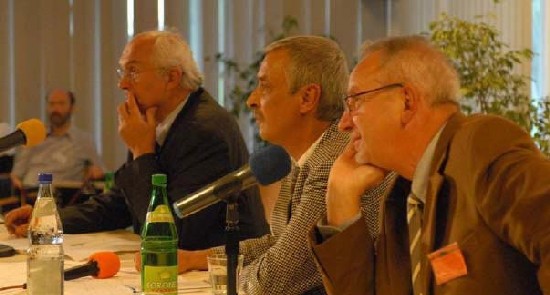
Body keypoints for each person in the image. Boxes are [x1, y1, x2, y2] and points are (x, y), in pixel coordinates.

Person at [310, 35, 550, 295]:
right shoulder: (402, 199)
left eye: (355, 101)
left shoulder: (480, 145)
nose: (344, 123)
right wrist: (340, 197)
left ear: (407, 102)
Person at [5, 30, 269, 251]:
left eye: (133, 72)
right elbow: (121, 203)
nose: (122, 84)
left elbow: (174, 233)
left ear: (172, 77)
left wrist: (142, 151)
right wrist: (48, 218)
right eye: (122, 72)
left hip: (223, 275)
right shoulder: (157, 120)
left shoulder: (205, 129)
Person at [173, 36, 394, 295]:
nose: (251, 100)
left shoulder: (332, 162)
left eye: (264, 87)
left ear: (307, 98)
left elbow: (274, 282)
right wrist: (197, 259)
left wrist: (232, 278)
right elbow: (279, 242)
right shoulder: (305, 155)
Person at [10, 89, 105, 190]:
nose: (55, 109)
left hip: (60, 196)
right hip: (28, 193)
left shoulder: (83, 140)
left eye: (61, 104)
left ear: (72, 108)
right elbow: (16, 174)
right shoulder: (35, 136)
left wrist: (94, 172)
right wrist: (19, 189)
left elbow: (100, 171)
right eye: (52, 104)